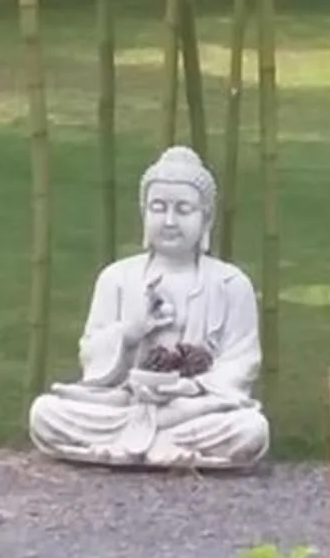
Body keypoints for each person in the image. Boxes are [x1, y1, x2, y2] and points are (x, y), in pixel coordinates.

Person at [28, 146, 269, 470]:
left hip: (191, 410)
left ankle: (139, 444)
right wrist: (129, 333)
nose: (169, 221)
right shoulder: (117, 277)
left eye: (183, 209)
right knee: (45, 413)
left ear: (206, 217)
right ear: (144, 213)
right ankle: (160, 446)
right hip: (124, 402)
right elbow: (90, 355)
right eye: (159, 208)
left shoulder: (230, 284)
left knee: (251, 430)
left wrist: (192, 386)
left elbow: (242, 361)